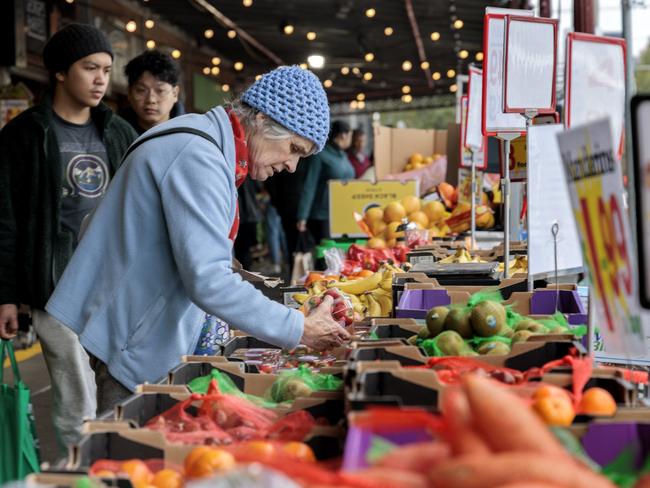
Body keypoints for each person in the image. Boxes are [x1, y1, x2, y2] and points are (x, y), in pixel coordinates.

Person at [44, 65, 350, 413]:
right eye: (294, 149)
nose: (292, 166)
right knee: (130, 453)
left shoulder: (206, 145)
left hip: (140, 328)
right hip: (134, 341)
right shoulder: (198, 156)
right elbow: (208, 280)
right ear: (263, 120)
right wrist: (297, 327)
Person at [0, 23, 138, 451]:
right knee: (75, 397)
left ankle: (117, 464)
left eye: (106, 69)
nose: (100, 79)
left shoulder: (118, 133)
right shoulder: (24, 135)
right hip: (53, 286)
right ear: (60, 72)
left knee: (122, 387)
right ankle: (83, 473)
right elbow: (5, 220)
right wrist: (6, 295)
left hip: (114, 285)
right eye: (89, 67)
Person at [296, 120, 354, 243]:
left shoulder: (343, 155)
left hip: (344, 212)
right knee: (326, 255)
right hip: (323, 215)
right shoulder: (321, 155)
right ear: (343, 135)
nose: (351, 139)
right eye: (350, 135)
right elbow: (309, 184)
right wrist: (302, 216)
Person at [121, 50, 184, 135]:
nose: (151, 100)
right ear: (129, 92)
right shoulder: (113, 133)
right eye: (141, 90)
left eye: (160, 91)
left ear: (175, 94)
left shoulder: (191, 134)